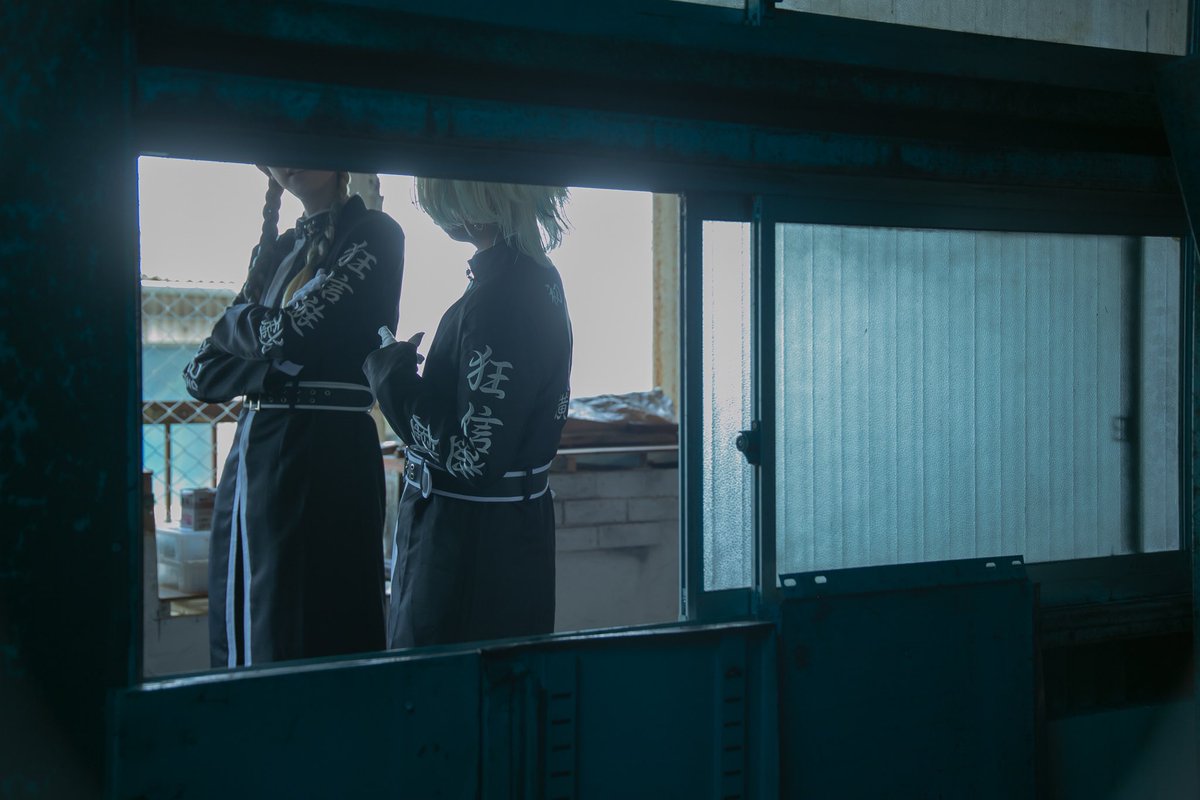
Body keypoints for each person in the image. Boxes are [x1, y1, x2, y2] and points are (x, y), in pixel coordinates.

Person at [183, 166, 404, 667]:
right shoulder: (279, 249)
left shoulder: (375, 234)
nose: (288, 160)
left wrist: (237, 329)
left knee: (311, 626)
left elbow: (292, 333)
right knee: (244, 623)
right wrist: (269, 366)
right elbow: (200, 373)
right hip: (251, 459)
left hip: (325, 454)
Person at [364, 179, 572, 648]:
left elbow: (474, 458)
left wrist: (391, 379)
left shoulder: (499, 297)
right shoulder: (538, 277)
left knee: (440, 686)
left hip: (466, 547)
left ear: (475, 200)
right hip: (509, 536)